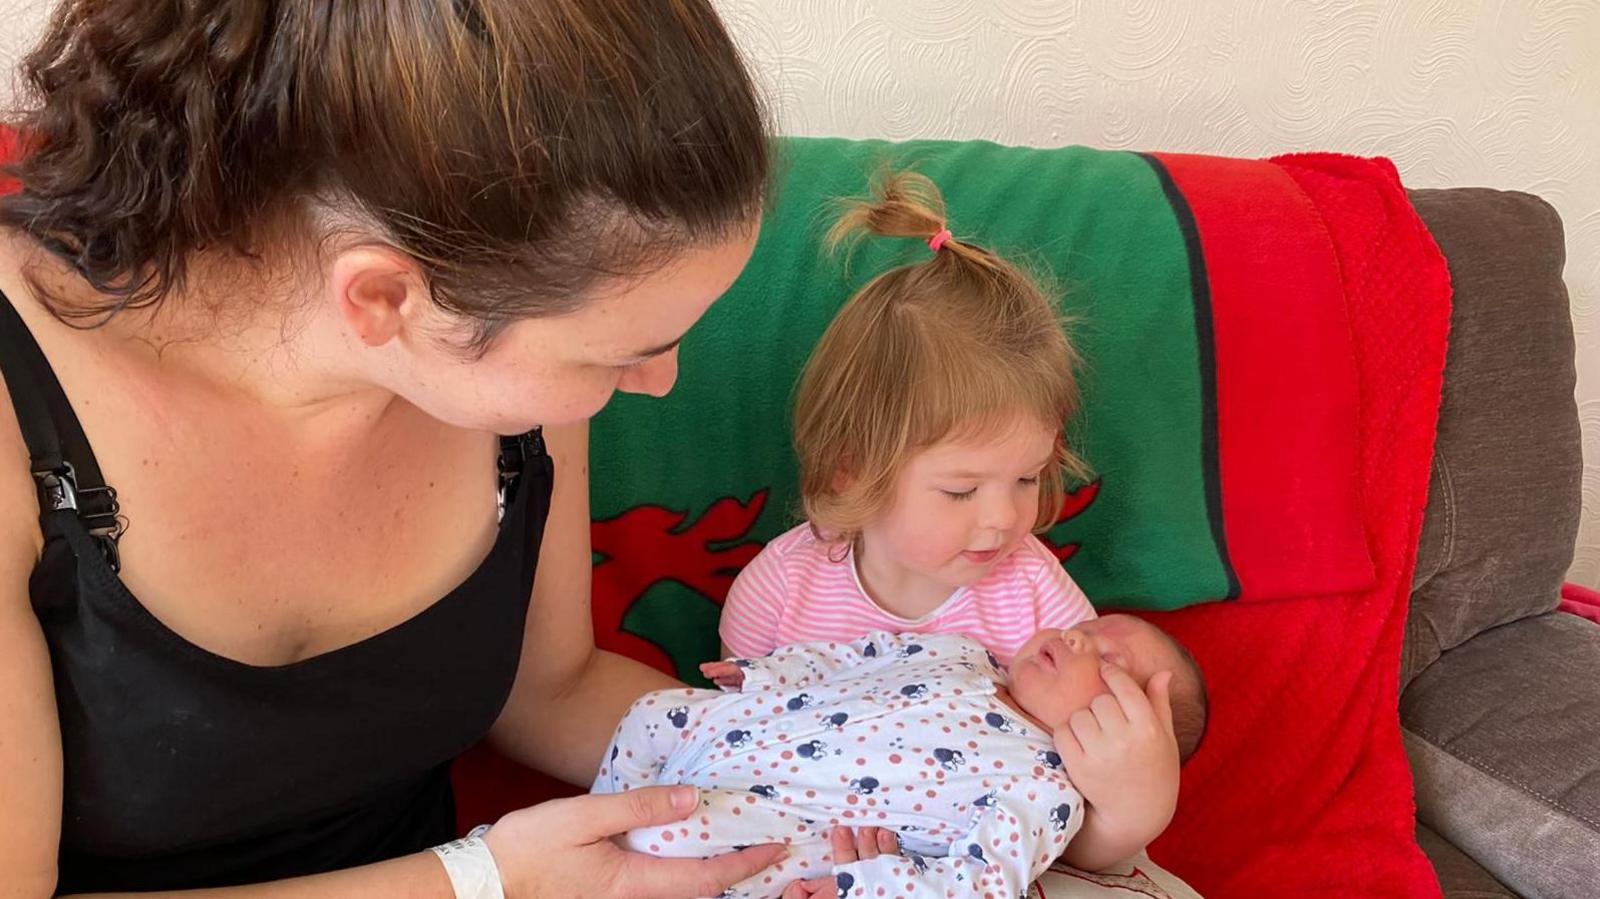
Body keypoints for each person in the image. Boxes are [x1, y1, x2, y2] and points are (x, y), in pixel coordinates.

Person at [0, 2, 801, 896]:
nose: (659, 382)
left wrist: (825, 758)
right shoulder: (16, 414)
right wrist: (484, 882)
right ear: (383, 296)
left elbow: (553, 690)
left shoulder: (504, 381)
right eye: (619, 354)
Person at [719, 171, 1096, 667]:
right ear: (851, 468)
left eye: (1028, 477)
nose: (1006, 518)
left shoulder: (1035, 596)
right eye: (961, 490)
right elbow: (724, 727)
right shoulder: (782, 590)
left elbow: (1095, 713)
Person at [594, 625, 1208, 899]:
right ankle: (585, 837)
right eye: (1087, 625)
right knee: (651, 712)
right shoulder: (967, 653)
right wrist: (768, 672)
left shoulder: (1045, 790)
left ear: (1124, 734)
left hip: (779, 820)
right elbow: (861, 656)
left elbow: (981, 886)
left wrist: (868, 888)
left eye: (1106, 662)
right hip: (748, 729)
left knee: (661, 835)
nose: (1078, 638)